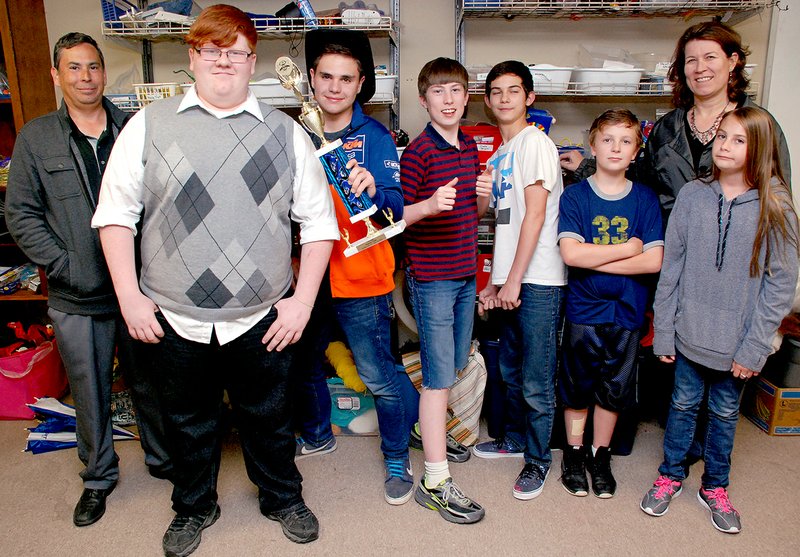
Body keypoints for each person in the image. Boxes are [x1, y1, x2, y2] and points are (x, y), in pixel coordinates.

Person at [91, 5, 337, 555]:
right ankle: (193, 506)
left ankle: (281, 498)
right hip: (172, 317)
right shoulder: (148, 126)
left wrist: (301, 302)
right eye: (211, 50)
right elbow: (114, 216)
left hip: (264, 317)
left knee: (270, 418)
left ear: (254, 63)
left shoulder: (287, 134)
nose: (224, 61)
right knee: (187, 423)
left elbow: (319, 226)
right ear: (193, 58)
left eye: (237, 53)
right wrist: (129, 296)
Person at [5, 32, 170, 528]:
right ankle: (98, 478)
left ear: (103, 72)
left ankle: (164, 461)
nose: (85, 77)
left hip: (140, 290)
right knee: (91, 391)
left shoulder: (136, 128)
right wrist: (63, 263)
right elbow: (21, 214)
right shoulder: (37, 138)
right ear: (57, 75)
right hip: (77, 295)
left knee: (151, 383)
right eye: (74, 68)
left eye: (94, 67)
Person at [640, 107, 798, 534]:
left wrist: (755, 347)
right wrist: (665, 332)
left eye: (738, 140)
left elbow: (779, 286)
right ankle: (671, 474)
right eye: (722, 137)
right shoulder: (693, 194)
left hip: (738, 343)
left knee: (725, 413)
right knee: (682, 405)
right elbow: (671, 266)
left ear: (760, 148)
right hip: (690, 334)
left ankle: (715, 487)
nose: (725, 146)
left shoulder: (776, 205)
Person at [292, 28, 416, 506]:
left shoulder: (376, 138)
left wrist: (375, 192)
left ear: (361, 82)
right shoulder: (297, 133)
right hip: (308, 275)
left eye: (347, 78)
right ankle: (319, 433)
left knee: (377, 372)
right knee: (303, 364)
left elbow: (396, 213)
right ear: (311, 78)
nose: (335, 87)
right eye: (327, 76)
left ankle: (396, 456)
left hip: (361, 277)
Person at [560, 20, 791, 215]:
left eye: (710, 57)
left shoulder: (760, 125)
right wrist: (585, 167)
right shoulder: (667, 128)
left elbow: (777, 202)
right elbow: (638, 184)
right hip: (671, 251)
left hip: (732, 253)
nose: (700, 68)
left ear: (732, 61)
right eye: (691, 60)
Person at [556, 109, 664, 499]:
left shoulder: (645, 199)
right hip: (585, 310)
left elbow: (654, 260)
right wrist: (626, 248)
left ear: (636, 151)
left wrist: (597, 254)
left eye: (625, 141)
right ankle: (573, 451)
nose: (615, 148)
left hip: (627, 312)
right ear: (593, 145)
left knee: (613, 390)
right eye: (607, 139)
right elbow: (571, 255)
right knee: (577, 388)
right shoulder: (576, 196)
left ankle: (600, 456)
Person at [472, 60, 567, 501]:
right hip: (512, 278)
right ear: (488, 100)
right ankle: (512, 439)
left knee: (535, 377)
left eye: (514, 90)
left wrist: (514, 281)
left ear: (529, 98)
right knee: (509, 368)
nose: (505, 98)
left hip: (539, 280)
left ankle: (538, 460)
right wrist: (495, 282)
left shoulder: (535, 143)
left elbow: (535, 215)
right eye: (496, 91)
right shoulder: (498, 154)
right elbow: (500, 225)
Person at [400, 57, 489, 524]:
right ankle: (434, 481)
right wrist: (429, 205)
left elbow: (471, 209)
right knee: (437, 380)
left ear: (466, 96)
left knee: (454, 364)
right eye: (439, 92)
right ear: (424, 99)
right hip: (431, 278)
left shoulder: (471, 145)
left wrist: (483, 195)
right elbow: (395, 219)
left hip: (463, 275)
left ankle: (424, 428)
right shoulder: (418, 153)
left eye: (456, 90)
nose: (449, 99)